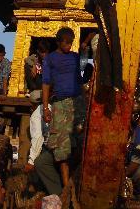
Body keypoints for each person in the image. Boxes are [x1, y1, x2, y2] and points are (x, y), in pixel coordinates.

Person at [42, 27, 81, 187]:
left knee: (79, 139)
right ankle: (66, 186)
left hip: (77, 102)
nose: (69, 46)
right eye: (66, 43)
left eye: (71, 43)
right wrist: (45, 108)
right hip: (59, 103)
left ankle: (75, 179)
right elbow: (45, 83)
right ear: (58, 42)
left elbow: (79, 80)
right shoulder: (50, 59)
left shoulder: (76, 57)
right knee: (60, 145)